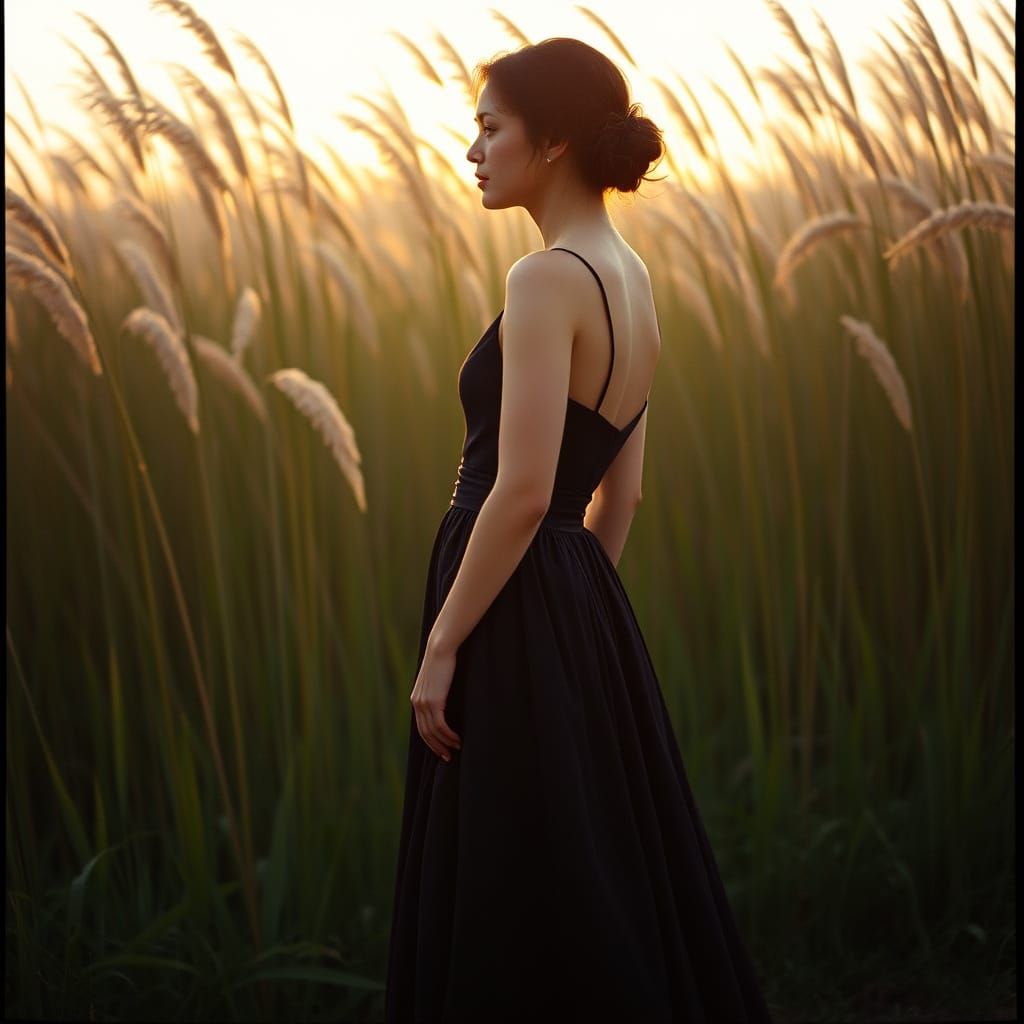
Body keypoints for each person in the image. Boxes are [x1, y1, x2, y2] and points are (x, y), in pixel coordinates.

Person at [385, 36, 773, 1024]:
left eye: (488, 128)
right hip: (570, 598)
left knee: (511, 877)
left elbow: (518, 490)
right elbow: (620, 495)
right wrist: (570, 625)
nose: (471, 150)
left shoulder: (545, 278)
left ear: (551, 141)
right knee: (584, 867)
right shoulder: (633, 278)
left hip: (504, 594)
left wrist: (444, 645)